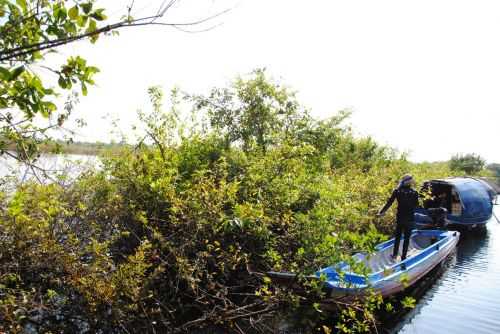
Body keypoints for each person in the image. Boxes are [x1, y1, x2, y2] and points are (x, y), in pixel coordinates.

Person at [377, 174, 419, 262]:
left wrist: (381, 212)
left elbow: (389, 202)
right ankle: (403, 257)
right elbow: (416, 205)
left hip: (400, 218)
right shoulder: (414, 192)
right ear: (410, 182)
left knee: (398, 237)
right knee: (407, 238)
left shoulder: (397, 191)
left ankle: (395, 255)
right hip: (410, 218)